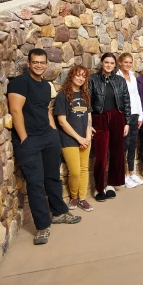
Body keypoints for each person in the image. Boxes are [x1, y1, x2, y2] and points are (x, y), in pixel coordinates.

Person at [8, 48, 81, 245]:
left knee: (52, 178)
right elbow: (16, 111)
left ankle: (58, 213)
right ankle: (42, 226)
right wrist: (24, 139)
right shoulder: (20, 83)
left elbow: (46, 109)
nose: (39, 65)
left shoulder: (45, 85)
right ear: (29, 64)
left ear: (46, 64)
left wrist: (53, 132)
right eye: (35, 62)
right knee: (36, 183)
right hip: (29, 140)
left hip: (48, 137)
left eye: (42, 62)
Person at [89, 53, 132, 201]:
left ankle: (110, 184)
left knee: (116, 153)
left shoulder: (120, 80)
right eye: (106, 62)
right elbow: (88, 102)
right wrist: (89, 124)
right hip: (99, 119)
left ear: (115, 65)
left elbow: (126, 101)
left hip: (117, 118)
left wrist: (127, 122)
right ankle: (99, 187)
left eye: (111, 63)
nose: (108, 65)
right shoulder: (93, 80)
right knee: (100, 156)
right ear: (101, 63)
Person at [54, 65, 94, 212]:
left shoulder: (85, 95)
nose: (80, 78)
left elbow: (89, 118)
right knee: (75, 171)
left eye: (83, 76)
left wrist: (88, 136)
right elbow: (62, 122)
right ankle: (74, 197)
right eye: (78, 75)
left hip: (85, 138)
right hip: (69, 139)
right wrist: (79, 139)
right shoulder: (62, 96)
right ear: (71, 76)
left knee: (84, 169)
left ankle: (82, 199)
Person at [117, 53, 143, 188]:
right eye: (125, 62)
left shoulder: (133, 77)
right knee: (124, 145)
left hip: (135, 114)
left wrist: (140, 115)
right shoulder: (117, 77)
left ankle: (131, 173)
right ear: (120, 63)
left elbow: (137, 96)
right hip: (124, 116)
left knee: (133, 145)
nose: (128, 64)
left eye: (130, 62)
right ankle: (122, 176)